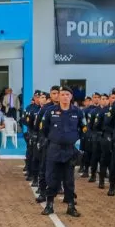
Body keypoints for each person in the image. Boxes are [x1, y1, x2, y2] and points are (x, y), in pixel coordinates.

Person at [39, 86, 85, 217]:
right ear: (58, 96)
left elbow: (84, 129)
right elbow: (43, 129)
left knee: (69, 180)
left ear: (71, 97)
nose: (65, 97)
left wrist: (76, 141)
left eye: (67, 94)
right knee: (51, 178)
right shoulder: (50, 111)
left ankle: (70, 206)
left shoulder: (78, 112)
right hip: (54, 149)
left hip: (70, 150)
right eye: (62, 94)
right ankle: (49, 205)